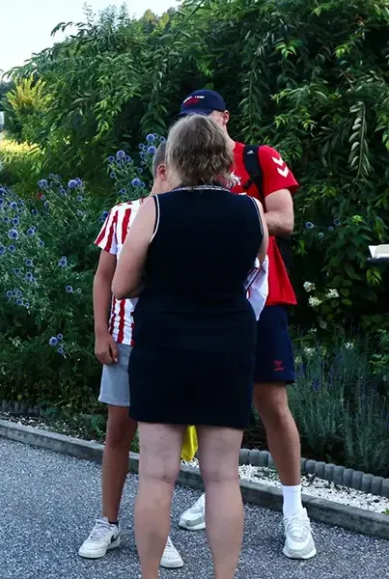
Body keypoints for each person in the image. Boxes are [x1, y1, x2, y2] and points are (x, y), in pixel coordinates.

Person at [112, 113, 268, 579]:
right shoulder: (250, 211)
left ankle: (150, 576)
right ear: (222, 157)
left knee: (158, 475)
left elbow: (121, 286)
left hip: (165, 347)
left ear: (175, 158)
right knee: (223, 476)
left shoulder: (154, 211)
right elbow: (252, 264)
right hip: (228, 345)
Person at [175, 89, 316, 560]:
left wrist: (234, 214)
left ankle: (295, 510)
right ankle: (218, 490)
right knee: (216, 401)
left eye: (205, 116)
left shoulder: (259, 158)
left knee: (272, 402)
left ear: (224, 117)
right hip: (210, 298)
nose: (200, 125)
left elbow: (284, 218)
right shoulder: (187, 166)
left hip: (263, 295)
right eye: (191, 119)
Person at [79, 141, 184, 569]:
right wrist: (101, 331)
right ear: (162, 171)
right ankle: (109, 520)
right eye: (182, 171)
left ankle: (160, 529)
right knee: (118, 432)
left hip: (171, 345)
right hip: (124, 341)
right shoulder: (124, 214)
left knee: (164, 443)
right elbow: (103, 277)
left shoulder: (190, 218)